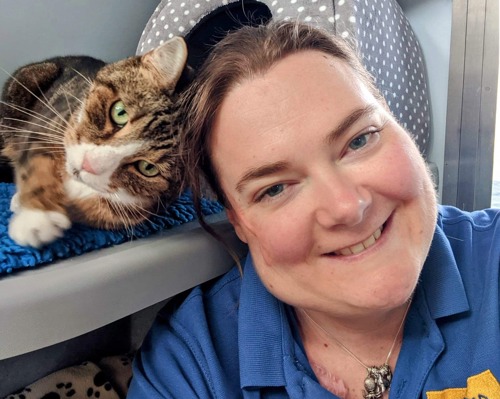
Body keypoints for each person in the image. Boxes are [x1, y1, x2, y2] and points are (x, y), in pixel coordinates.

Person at [126, 21, 500, 399]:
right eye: (274, 189)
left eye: (359, 140)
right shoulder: (189, 368)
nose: (347, 207)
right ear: (237, 219)